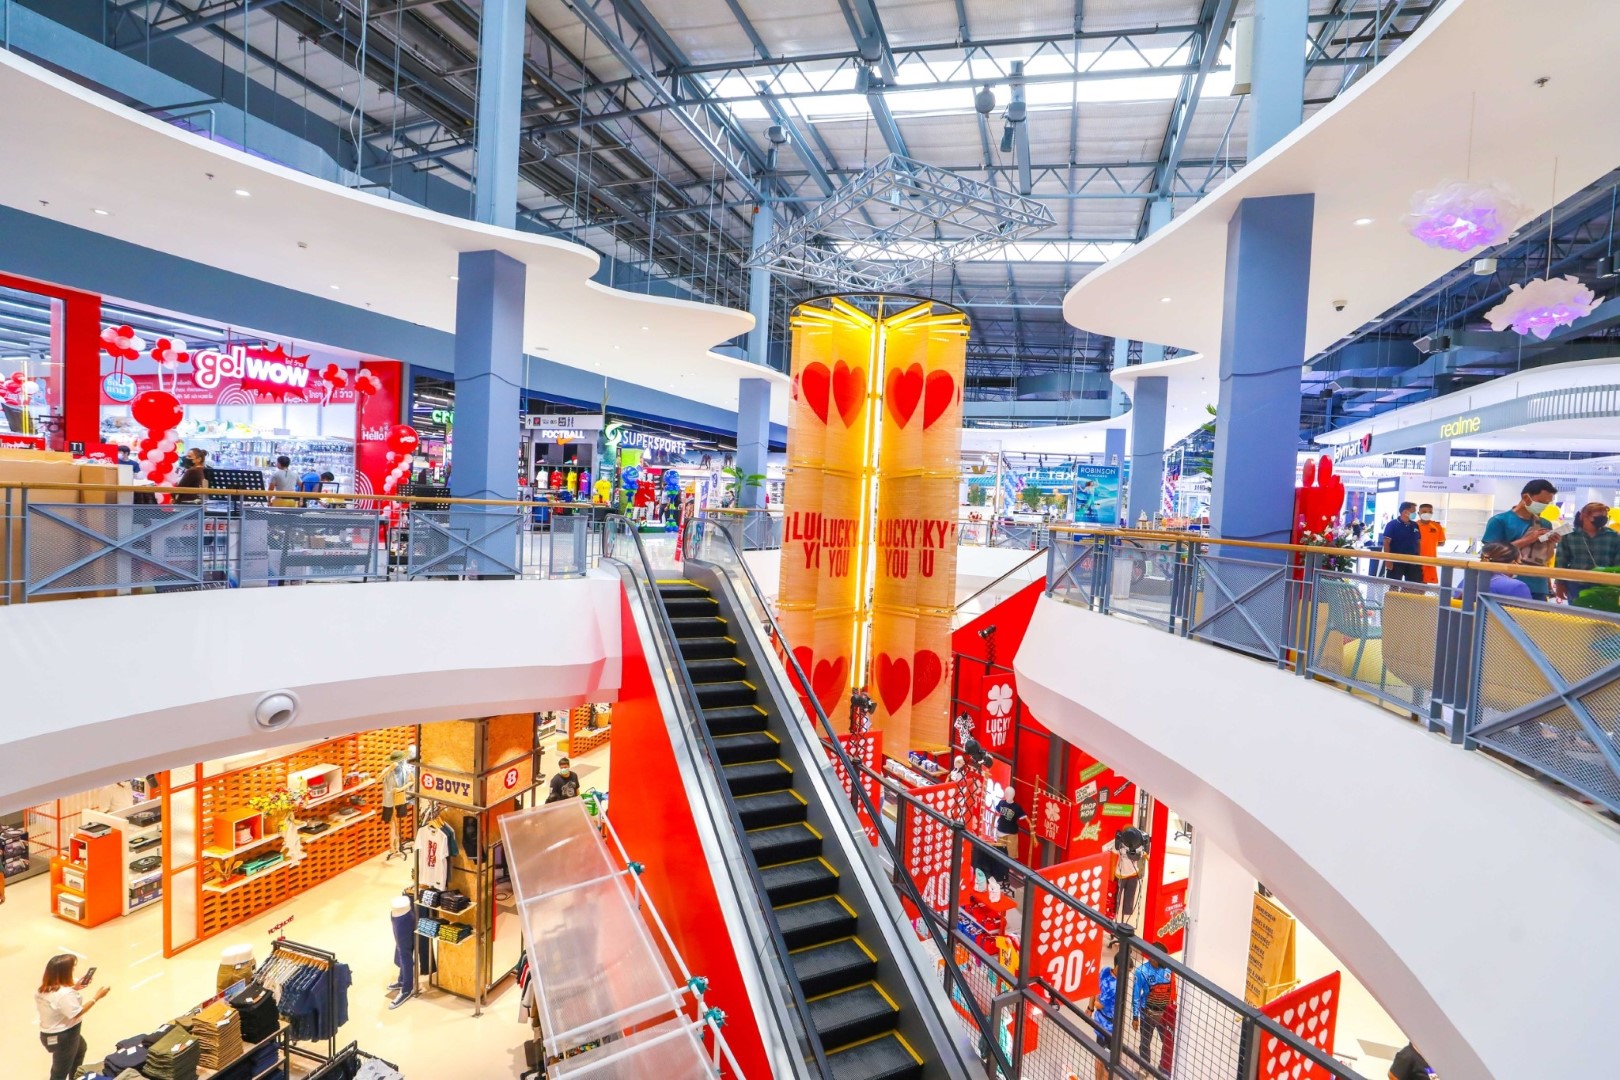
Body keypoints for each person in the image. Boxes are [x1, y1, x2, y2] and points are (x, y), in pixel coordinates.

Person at [1482, 479, 1558, 602]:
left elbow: (1546, 557)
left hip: (1539, 585)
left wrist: (1551, 543)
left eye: (1547, 503)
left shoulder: (1545, 524)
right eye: (1540, 502)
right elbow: (1492, 554)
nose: (1543, 506)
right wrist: (1529, 539)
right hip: (1507, 584)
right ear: (1525, 497)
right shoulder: (1500, 521)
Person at [36, 953, 107, 1080]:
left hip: (48, 1034)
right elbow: (76, 1013)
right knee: (60, 1072)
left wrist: (75, 987)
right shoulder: (65, 994)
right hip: (64, 1036)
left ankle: (75, 1076)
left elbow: (58, 1002)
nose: (73, 970)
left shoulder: (43, 989)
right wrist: (96, 997)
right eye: (72, 968)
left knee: (81, 1048)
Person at [1555, 502, 1619, 602]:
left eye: (1605, 516)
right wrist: (1559, 584)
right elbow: (1561, 561)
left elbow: (1618, 563)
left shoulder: (1613, 536)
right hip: (1576, 584)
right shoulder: (1569, 535)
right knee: (1577, 611)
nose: (1603, 519)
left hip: (1605, 586)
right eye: (1599, 516)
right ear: (1585, 516)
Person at [1131, 950, 1174, 1064]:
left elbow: (1172, 991)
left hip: (1165, 1014)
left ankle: (1164, 1067)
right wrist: (1135, 1016)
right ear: (1152, 958)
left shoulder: (1169, 969)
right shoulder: (1141, 971)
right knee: (1145, 1042)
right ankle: (1144, 1068)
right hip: (1147, 1013)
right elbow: (1136, 994)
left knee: (1169, 1043)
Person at [1380, 502, 1423, 584]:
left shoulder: (1415, 525)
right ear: (1405, 511)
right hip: (1396, 560)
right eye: (1413, 511)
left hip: (1413, 561)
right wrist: (1388, 560)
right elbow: (1386, 542)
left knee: (1412, 585)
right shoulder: (1392, 524)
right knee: (1393, 585)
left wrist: (1419, 559)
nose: (1415, 514)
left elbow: (1418, 542)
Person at [1415, 503, 1446, 584]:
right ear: (1419, 513)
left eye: (1430, 512)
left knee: (1424, 584)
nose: (1427, 514)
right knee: (1411, 585)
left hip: (1430, 560)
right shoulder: (1414, 525)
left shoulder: (1437, 526)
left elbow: (1442, 542)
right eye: (1424, 511)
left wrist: (1430, 544)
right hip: (1415, 560)